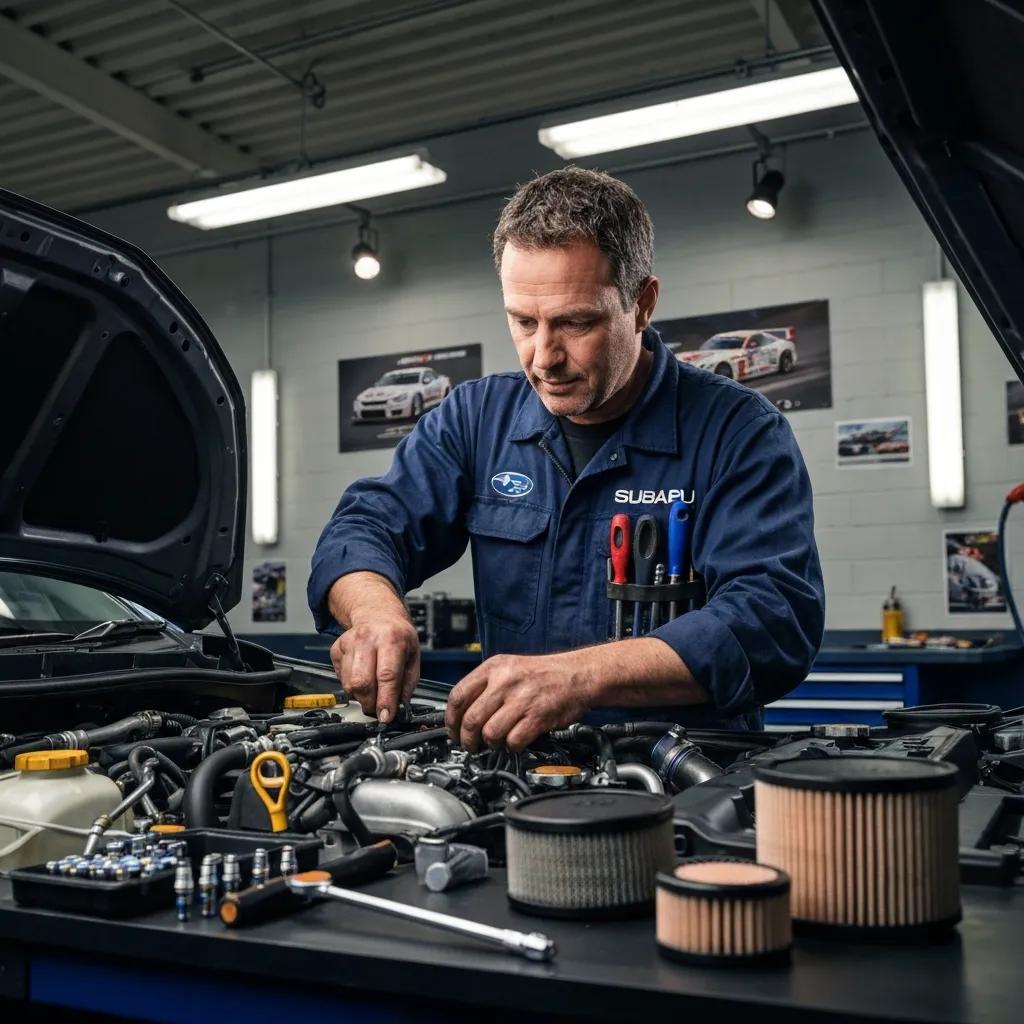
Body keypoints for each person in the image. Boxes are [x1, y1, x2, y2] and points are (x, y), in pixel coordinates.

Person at [308, 167, 824, 751]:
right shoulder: (477, 420)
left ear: (643, 303)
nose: (544, 357)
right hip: (516, 777)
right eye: (523, 322)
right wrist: (376, 612)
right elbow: (364, 528)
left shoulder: (739, 434)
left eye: (577, 322)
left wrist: (579, 677)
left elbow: (773, 620)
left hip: (682, 782)